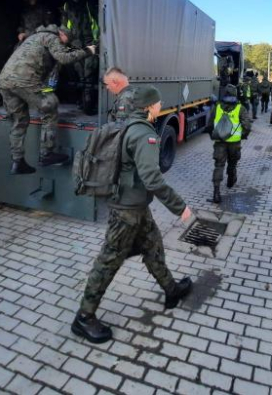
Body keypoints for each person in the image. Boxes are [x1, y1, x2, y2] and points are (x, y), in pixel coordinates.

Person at [72, 86, 195, 343]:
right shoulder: (143, 134)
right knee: (108, 261)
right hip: (126, 212)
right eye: (159, 102)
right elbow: (152, 178)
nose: (160, 106)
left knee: (153, 247)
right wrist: (179, 206)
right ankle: (84, 318)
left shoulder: (130, 125)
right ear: (150, 106)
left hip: (137, 207)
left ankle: (171, 290)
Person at [0, 24, 96, 174]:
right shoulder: (52, 37)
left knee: (19, 121)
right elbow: (63, 58)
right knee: (50, 105)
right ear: (62, 34)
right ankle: (47, 153)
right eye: (66, 41)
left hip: (5, 81)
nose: (64, 44)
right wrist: (88, 51)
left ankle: (18, 161)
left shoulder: (32, 38)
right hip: (24, 81)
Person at [205, 84, 251, 203]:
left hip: (220, 142)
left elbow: (209, 125)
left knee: (219, 165)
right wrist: (243, 136)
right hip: (234, 143)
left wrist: (213, 135)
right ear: (235, 94)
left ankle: (216, 193)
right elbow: (247, 125)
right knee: (232, 163)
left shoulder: (217, 107)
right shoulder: (240, 108)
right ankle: (231, 181)